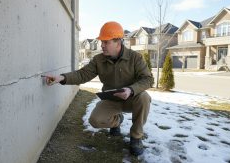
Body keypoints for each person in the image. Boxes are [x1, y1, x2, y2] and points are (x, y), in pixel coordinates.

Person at [45, 21, 153, 156]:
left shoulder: (135, 58)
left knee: (144, 97)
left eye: (105, 42)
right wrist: (62, 78)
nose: (101, 45)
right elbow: (82, 74)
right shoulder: (98, 60)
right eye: (101, 42)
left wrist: (131, 90)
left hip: (132, 98)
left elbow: (148, 79)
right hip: (111, 100)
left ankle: (136, 137)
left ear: (118, 42)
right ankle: (117, 121)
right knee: (95, 121)